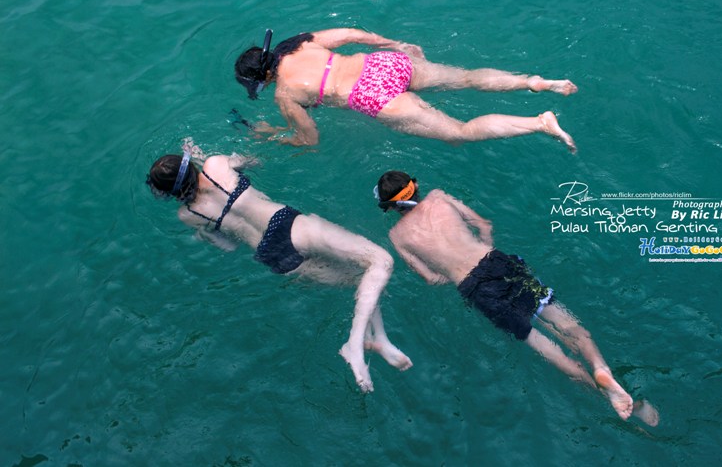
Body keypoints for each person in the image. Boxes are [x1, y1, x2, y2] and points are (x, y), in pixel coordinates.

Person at [374, 170, 659, 425]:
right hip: (497, 263)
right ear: (415, 186)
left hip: (476, 289)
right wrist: (485, 251)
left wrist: (457, 276)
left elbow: (430, 278)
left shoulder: (398, 235)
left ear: (391, 207)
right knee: (569, 325)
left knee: (544, 346)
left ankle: (611, 402)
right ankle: (600, 367)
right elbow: (484, 224)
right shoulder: (439, 197)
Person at [145, 141, 412, 392]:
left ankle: (380, 338)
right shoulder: (215, 165)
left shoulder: (188, 215)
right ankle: (355, 343)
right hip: (287, 226)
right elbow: (255, 161)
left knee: (362, 284)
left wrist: (204, 233)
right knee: (380, 261)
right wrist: (204, 156)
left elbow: (229, 246)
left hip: (273, 257)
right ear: (189, 163)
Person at [234, 28, 578, 151]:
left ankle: (539, 123)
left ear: (262, 80)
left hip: (374, 96)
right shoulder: (300, 44)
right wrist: (395, 43)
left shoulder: (285, 96)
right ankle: (532, 83)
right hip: (381, 64)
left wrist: (274, 135)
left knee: (460, 132)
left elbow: (310, 140)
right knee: (469, 77)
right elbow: (355, 34)